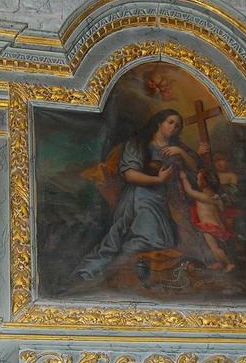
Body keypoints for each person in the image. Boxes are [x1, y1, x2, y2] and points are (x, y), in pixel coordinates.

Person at [74, 109, 202, 281]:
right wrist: (158, 179)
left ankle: (133, 274)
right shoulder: (139, 144)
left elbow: (195, 168)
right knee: (140, 237)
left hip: (170, 200)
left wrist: (181, 153)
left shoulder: (178, 147)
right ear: (159, 123)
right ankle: (102, 272)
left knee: (176, 240)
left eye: (178, 125)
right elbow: (130, 174)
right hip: (142, 195)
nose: (174, 127)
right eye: (170, 122)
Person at [179, 169, 235, 273]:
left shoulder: (203, 196)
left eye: (198, 179)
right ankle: (220, 263)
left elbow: (189, 191)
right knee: (217, 247)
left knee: (215, 248)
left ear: (204, 182)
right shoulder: (215, 196)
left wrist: (184, 178)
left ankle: (229, 264)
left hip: (209, 226)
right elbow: (221, 210)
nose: (197, 181)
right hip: (217, 225)